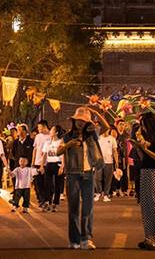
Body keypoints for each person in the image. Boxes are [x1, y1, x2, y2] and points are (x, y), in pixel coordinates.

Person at [58, 107, 104, 250]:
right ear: (74, 121)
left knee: (87, 208)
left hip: (88, 174)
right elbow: (58, 151)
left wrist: (95, 113)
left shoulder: (91, 135)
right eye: (78, 120)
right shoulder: (67, 136)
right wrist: (70, 144)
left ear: (87, 123)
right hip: (72, 174)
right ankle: (74, 240)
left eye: (83, 121)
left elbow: (107, 127)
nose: (80, 123)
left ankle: (86, 239)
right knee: (73, 208)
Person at [131, 112, 155, 251]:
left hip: (154, 171)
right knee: (145, 206)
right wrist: (138, 148)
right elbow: (143, 157)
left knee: (154, 205)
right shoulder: (148, 137)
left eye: (143, 124)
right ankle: (149, 238)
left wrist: (144, 149)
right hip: (145, 170)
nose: (142, 127)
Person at [41, 125, 65, 212]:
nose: (50, 131)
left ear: (56, 132)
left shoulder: (60, 142)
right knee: (47, 184)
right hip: (49, 164)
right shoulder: (47, 143)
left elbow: (63, 155)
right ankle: (47, 202)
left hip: (57, 164)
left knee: (58, 184)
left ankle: (55, 203)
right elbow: (44, 155)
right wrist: (42, 165)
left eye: (52, 130)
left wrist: (62, 166)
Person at [95, 127, 117, 202]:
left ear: (108, 130)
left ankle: (106, 195)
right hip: (99, 162)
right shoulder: (98, 138)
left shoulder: (112, 139)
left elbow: (114, 151)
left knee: (108, 179)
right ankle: (98, 193)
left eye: (106, 129)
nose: (105, 131)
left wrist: (116, 162)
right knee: (97, 178)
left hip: (109, 162)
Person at [32, 120, 50, 208]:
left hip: (47, 163)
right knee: (37, 182)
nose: (38, 129)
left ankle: (46, 200)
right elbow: (35, 149)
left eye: (39, 127)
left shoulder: (50, 136)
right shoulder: (38, 136)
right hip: (37, 162)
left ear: (44, 126)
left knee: (46, 183)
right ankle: (41, 199)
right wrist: (33, 162)